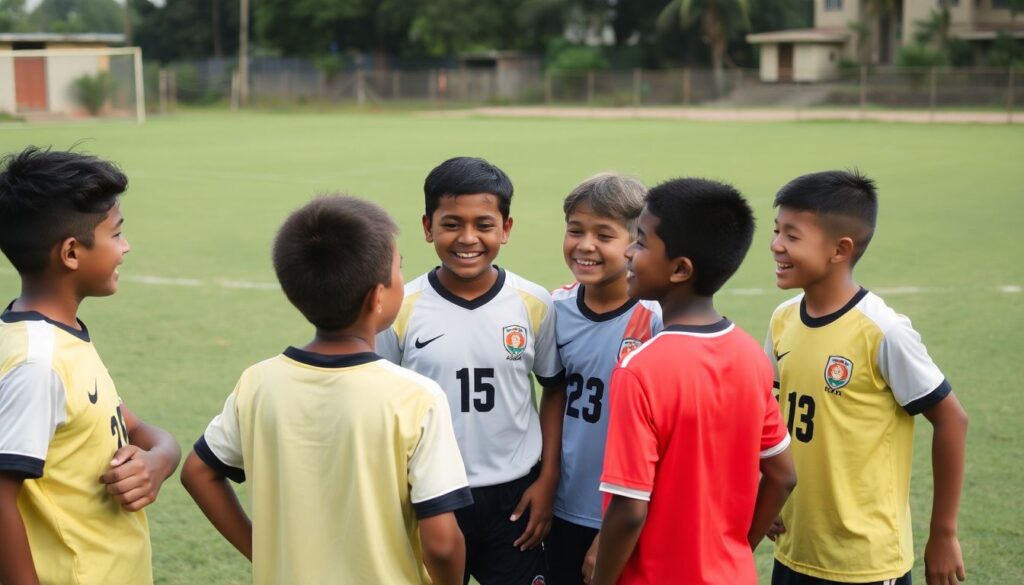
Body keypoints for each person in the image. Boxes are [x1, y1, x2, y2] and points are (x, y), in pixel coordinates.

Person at [181, 195, 471, 585]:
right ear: (377, 296)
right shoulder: (416, 397)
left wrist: (263, 552)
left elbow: (198, 473)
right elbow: (441, 543)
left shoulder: (258, 383)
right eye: (399, 268)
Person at [766, 170, 968, 585]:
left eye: (792, 235)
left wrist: (943, 534)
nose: (776, 245)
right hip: (794, 548)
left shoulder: (883, 332)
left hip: (865, 563)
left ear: (840, 250)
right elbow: (771, 415)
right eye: (776, 230)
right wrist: (762, 487)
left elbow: (951, 420)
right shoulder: (783, 319)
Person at [592, 178, 797, 585]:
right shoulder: (750, 356)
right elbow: (782, 475)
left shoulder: (640, 369)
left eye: (641, 242)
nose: (629, 253)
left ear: (680, 269)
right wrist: (738, 549)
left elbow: (629, 508)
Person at [377, 156, 565, 585]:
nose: (467, 238)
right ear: (427, 228)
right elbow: (380, 400)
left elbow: (554, 389)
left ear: (506, 228)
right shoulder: (401, 308)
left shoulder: (533, 303)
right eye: (451, 224)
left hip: (516, 494)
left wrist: (548, 478)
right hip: (431, 493)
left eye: (483, 224)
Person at [0, 146, 181, 585]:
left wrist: (159, 460)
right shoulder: (38, 364)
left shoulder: (61, 338)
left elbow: (135, 427)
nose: (126, 246)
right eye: (116, 234)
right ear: (71, 253)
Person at [547, 173, 661, 585]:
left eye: (604, 235)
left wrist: (614, 530)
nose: (585, 245)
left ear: (636, 243)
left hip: (628, 509)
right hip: (563, 504)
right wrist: (546, 485)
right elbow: (554, 394)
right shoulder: (554, 308)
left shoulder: (656, 319)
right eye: (575, 230)